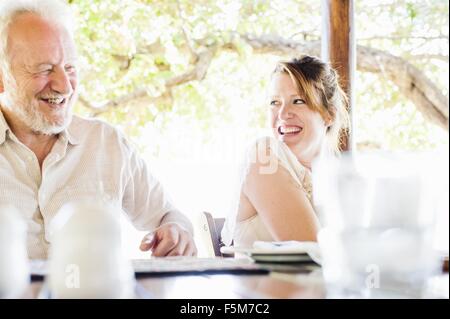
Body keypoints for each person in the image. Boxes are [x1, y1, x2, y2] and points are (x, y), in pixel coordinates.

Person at [0, 0, 196, 259]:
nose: (65, 86)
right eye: (45, 70)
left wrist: (177, 231)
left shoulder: (107, 142)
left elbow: (168, 216)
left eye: (70, 68)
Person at [221, 55, 349, 247]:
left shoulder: (338, 176)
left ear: (329, 114)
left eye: (297, 101)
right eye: (274, 102)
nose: (282, 114)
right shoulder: (264, 157)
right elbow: (313, 252)